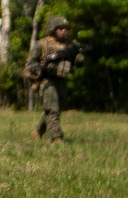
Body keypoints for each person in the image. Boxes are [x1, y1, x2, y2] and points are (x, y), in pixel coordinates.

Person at [25, 15, 87, 143]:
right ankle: (56, 137)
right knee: (52, 108)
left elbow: (77, 60)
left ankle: (38, 131)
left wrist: (79, 58)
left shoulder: (70, 45)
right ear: (53, 29)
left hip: (62, 80)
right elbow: (30, 64)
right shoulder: (41, 44)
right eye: (61, 28)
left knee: (55, 109)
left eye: (65, 28)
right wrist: (40, 69)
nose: (64, 31)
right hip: (47, 81)